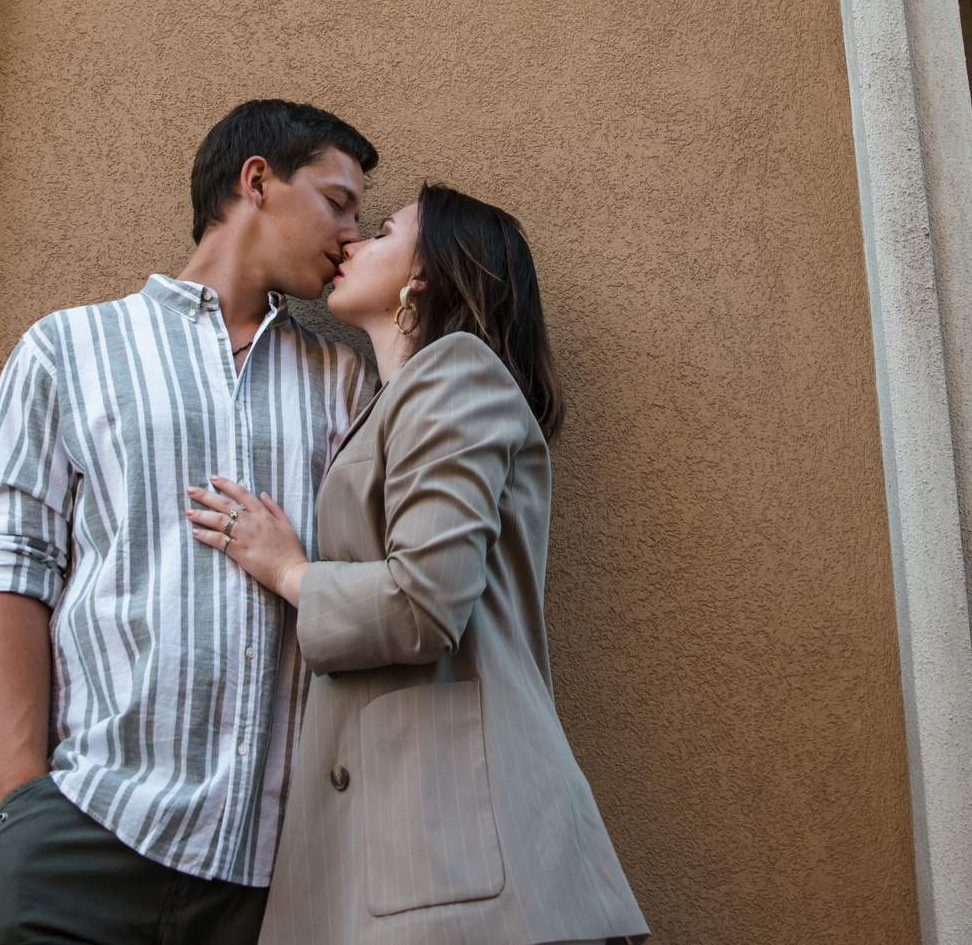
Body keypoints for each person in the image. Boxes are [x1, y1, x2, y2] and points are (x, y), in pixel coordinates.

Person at [0, 99, 379, 945]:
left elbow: (376, 581)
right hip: (83, 835)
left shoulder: (343, 380)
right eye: (338, 202)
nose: (353, 235)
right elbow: (8, 562)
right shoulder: (68, 349)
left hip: (271, 877)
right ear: (256, 180)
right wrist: (18, 797)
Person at [188, 184, 648, 945]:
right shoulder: (394, 400)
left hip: (460, 854)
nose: (352, 242)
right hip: (416, 849)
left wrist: (289, 570)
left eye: (381, 231)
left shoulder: (456, 372)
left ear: (424, 274)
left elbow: (424, 602)